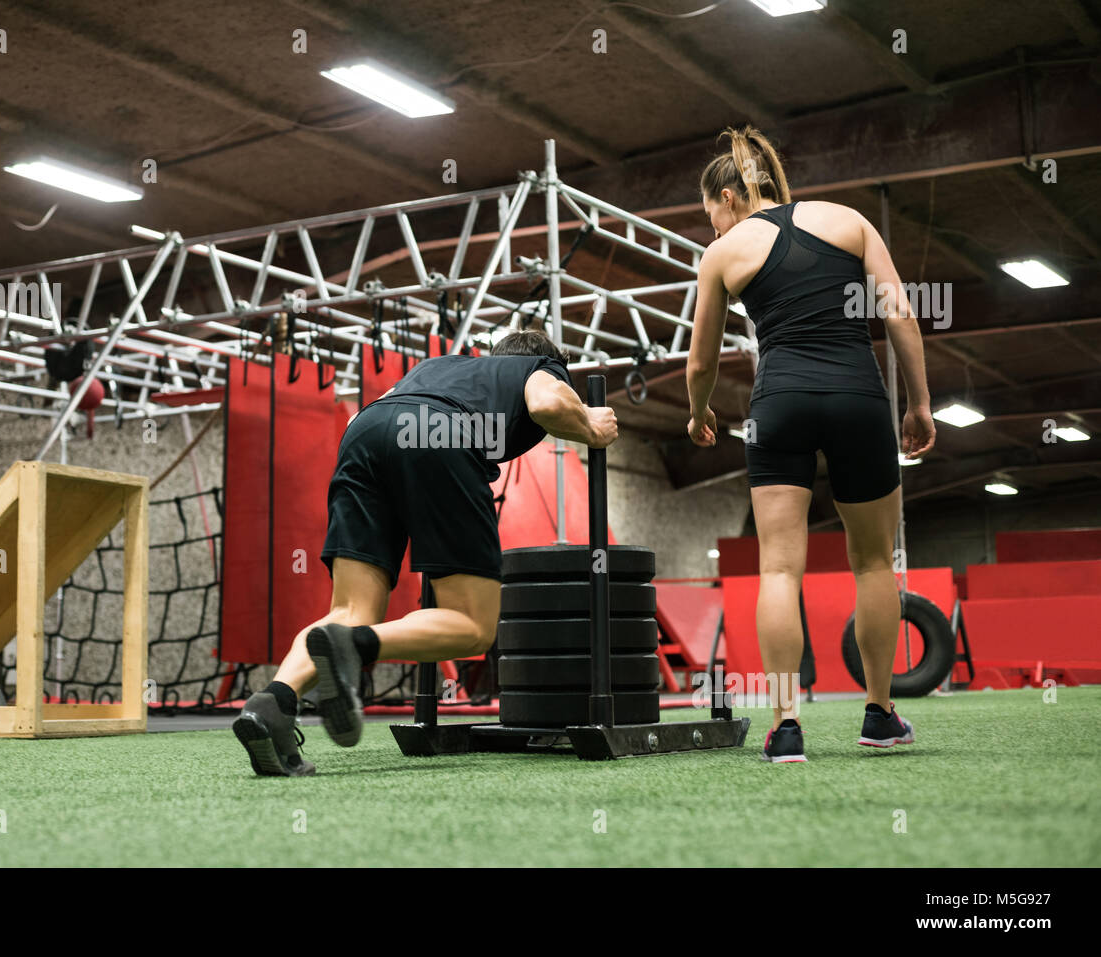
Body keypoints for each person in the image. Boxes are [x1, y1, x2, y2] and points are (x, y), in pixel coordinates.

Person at [233, 328, 619, 775]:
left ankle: (273, 703)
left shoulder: (440, 365)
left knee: (349, 609)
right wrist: (590, 424)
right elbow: (549, 404)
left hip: (362, 431)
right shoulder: (537, 368)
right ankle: (356, 645)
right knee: (472, 627)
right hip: (440, 431)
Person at [686, 126, 936, 763]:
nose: (710, 222)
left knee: (777, 567)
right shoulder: (847, 220)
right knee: (874, 563)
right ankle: (879, 714)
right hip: (858, 398)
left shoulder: (722, 254)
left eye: (708, 209)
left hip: (779, 407)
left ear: (727, 195)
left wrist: (698, 414)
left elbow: (700, 363)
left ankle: (786, 727)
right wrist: (919, 403)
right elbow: (900, 314)